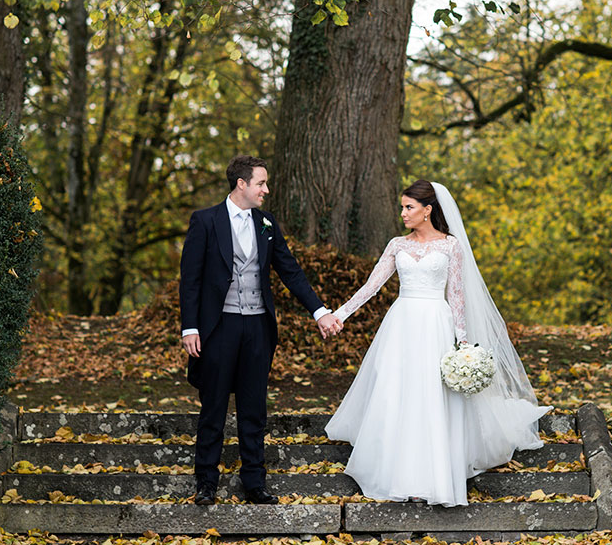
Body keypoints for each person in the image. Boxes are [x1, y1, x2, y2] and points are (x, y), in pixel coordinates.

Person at [325, 180, 551, 506]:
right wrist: (340, 314)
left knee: (431, 396)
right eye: (402, 207)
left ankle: (432, 476)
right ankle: (395, 472)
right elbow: (371, 286)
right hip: (402, 324)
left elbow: (456, 295)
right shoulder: (397, 245)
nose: (403, 213)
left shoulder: (450, 246)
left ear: (427, 210)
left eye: (409, 207)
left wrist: (463, 344)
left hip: (436, 325)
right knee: (396, 392)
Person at [179, 155, 342, 505]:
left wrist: (319, 311)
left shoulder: (267, 223)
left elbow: (290, 270)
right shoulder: (205, 221)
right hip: (219, 327)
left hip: (257, 326)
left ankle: (254, 482)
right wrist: (190, 327)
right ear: (242, 184)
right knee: (213, 407)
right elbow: (190, 279)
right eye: (261, 183)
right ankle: (206, 482)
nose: (266, 190)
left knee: (254, 408)